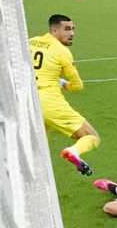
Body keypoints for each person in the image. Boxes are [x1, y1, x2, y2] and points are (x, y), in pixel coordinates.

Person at [29, 14, 100, 176]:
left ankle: (32, 179)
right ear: (54, 31)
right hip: (49, 101)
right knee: (92, 137)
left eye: (73, 29)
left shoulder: (31, 42)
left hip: (26, 100)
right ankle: (73, 152)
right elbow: (77, 86)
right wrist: (63, 83)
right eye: (67, 29)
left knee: (39, 147)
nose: (72, 33)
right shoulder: (62, 51)